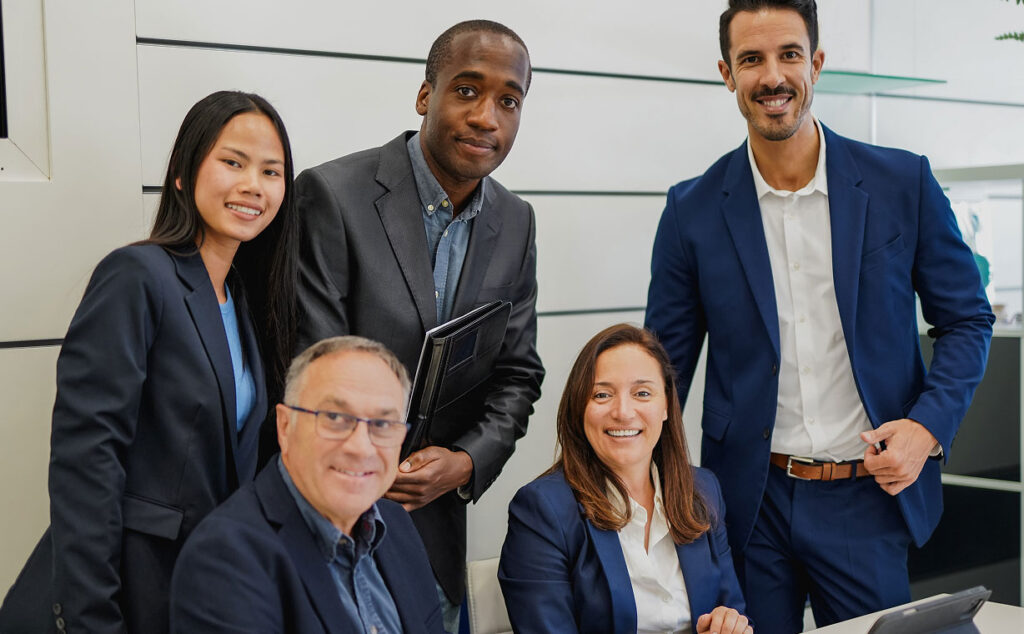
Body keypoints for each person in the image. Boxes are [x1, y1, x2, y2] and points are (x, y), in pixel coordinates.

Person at [644, 1, 994, 630]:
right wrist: (647, 485)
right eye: (751, 59)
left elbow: (966, 319)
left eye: (789, 54)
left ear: (818, 63)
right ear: (727, 73)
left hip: (868, 496)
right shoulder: (690, 210)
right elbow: (661, 369)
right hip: (749, 502)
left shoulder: (902, 183)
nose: (772, 76)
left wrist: (927, 427)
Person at [0, 90, 298, 634]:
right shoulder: (138, 276)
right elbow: (87, 459)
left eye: (271, 171)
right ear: (184, 174)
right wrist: (91, 616)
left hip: (196, 594)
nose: (254, 185)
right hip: (123, 591)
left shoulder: (244, 299)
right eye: (233, 162)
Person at [293, 19, 544, 631]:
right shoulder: (331, 194)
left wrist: (467, 460)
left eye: (508, 100)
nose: (487, 116)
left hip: (435, 538)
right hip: (330, 529)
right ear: (425, 95)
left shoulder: (515, 221)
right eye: (466, 90)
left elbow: (518, 373)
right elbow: (311, 372)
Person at [170, 336, 443, 633]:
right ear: (285, 427)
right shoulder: (226, 559)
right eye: (335, 417)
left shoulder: (398, 526)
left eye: (382, 424)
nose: (361, 447)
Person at [499, 324, 751, 634]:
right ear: (580, 408)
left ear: (666, 406)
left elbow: (732, 609)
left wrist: (731, 624)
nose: (623, 412)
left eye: (642, 393)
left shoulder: (703, 490)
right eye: (602, 394)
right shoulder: (541, 511)